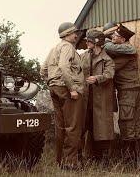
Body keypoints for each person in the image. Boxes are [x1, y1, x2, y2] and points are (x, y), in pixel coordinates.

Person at [40, 22, 85, 170]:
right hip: (67, 90)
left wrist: (51, 83)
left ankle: (60, 161)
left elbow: (43, 69)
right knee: (72, 126)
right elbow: (64, 67)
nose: (76, 35)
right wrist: (72, 88)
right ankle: (70, 163)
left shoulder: (55, 48)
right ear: (66, 35)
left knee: (60, 127)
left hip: (55, 89)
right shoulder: (67, 47)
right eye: (73, 33)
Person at [103, 23, 140, 162]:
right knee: (130, 121)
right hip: (129, 90)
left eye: (117, 36)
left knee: (126, 121)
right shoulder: (122, 51)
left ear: (123, 40)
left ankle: (130, 157)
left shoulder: (126, 53)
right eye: (113, 34)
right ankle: (136, 155)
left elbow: (112, 66)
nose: (113, 36)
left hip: (129, 90)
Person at [80, 30, 115, 161]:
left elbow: (109, 74)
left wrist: (97, 78)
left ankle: (102, 160)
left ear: (97, 43)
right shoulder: (83, 56)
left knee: (101, 130)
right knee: (82, 127)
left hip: (100, 101)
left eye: (89, 41)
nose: (87, 43)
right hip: (85, 99)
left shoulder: (108, 60)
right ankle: (80, 157)